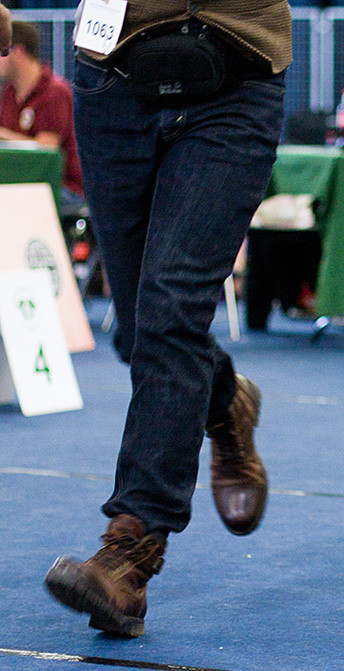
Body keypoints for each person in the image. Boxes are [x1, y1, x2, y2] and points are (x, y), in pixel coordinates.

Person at [43, 1, 291, 637]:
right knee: (139, 331)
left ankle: (131, 551)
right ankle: (226, 401)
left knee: (170, 310)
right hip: (111, 81)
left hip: (236, 72)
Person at [0, 20, 84, 206]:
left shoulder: (55, 91)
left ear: (18, 52)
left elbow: (47, 147)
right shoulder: (9, 93)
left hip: (62, 188)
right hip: (24, 185)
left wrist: (3, 135)